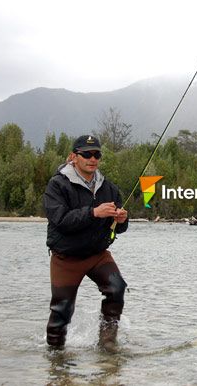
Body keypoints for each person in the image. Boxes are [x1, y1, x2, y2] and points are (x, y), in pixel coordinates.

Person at [44, 134, 128, 351]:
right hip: (66, 256)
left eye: (97, 154)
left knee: (117, 287)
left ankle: (107, 342)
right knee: (62, 309)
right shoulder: (57, 185)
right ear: (74, 156)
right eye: (87, 154)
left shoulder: (109, 188)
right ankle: (55, 357)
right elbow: (61, 221)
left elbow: (118, 227)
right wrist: (93, 213)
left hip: (97, 254)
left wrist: (121, 220)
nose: (93, 159)